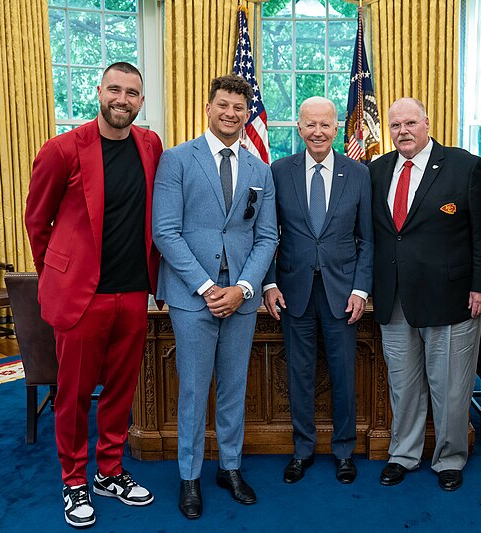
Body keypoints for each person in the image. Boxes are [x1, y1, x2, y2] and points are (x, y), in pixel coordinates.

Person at [25, 62, 162, 528]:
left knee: (122, 391)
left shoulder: (150, 145)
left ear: (141, 102)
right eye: (115, 90)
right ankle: (74, 480)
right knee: (74, 394)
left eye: (133, 93)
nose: (122, 99)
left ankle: (109, 470)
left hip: (134, 292)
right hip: (83, 298)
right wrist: (56, 275)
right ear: (99, 91)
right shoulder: (62, 149)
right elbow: (36, 221)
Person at [152, 74, 277, 520]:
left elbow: (266, 237)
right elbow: (165, 232)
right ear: (209, 108)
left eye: (238, 108)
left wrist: (243, 288)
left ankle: (230, 467)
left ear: (248, 113)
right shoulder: (177, 160)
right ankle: (190, 476)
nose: (230, 113)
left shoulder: (260, 169)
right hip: (192, 297)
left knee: (234, 388)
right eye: (223, 105)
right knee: (193, 389)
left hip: (240, 298)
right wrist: (207, 288)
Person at [369, 97, 481, 491]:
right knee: (403, 384)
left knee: (451, 386)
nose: (402, 131)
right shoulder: (377, 170)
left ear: (427, 122)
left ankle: (450, 457)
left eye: (410, 123)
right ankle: (403, 454)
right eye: (395, 125)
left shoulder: (464, 165)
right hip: (395, 298)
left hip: (452, 296)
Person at [262, 97, 373, 485]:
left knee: (344, 375)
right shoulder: (278, 171)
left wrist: (361, 289)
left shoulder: (358, 174)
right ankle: (302, 449)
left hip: (343, 294)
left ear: (337, 126)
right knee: (299, 374)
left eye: (325, 125)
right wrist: (270, 282)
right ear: (299, 126)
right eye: (310, 124)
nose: (318, 132)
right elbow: (266, 235)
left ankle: (344, 451)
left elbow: (367, 240)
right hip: (293, 293)